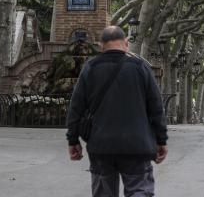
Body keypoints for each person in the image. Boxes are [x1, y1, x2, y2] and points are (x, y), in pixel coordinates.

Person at [66, 26, 168, 197]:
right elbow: (156, 108)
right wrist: (161, 140)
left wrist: (73, 140)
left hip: (101, 146)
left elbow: (76, 108)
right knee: (139, 190)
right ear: (126, 43)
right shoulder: (141, 67)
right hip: (137, 145)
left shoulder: (90, 68)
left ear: (101, 45)